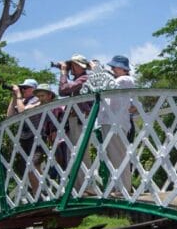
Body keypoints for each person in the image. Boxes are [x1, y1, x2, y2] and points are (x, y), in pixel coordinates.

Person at [97, 55, 136, 196]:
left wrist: (97, 72)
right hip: (110, 121)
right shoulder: (119, 80)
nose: (112, 69)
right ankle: (116, 186)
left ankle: (123, 188)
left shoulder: (125, 79)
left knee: (118, 155)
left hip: (116, 122)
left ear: (123, 68)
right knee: (113, 156)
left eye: (114, 66)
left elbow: (108, 86)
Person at [58, 54, 93, 189]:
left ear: (79, 66)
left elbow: (63, 90)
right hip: (74, 119)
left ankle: (86, 187)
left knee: (81, 153)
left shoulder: (85, 78)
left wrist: (63, 72)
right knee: (73, 153)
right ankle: (79, 187)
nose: (70, 67)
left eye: (72, 65)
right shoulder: (78, 79)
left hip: (79, 119)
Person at [6, 78, 40, 180]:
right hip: (24, 138)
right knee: (27, 168)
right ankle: (36, 194)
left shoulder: (37, 99)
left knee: (34, 166)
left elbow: (23, 112)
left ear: (33, 89)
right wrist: (14, 97)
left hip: (35, 137)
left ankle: (42, 192)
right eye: (22, 88)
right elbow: (9, 116)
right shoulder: (23, 101)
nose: (23, 90)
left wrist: (19, 96)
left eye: (25, 88)